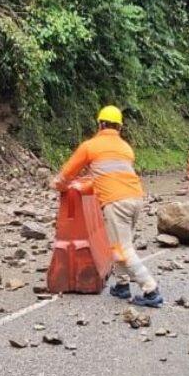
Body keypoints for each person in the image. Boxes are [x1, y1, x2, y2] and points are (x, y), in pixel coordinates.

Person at [49, 105, 163, 307]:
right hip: (136, 198)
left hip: (116, 202)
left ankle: (150, 289)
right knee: (120, 244)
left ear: (100, 124)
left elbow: (67, 173)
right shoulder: (126, 149)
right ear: (119, 127)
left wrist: (58, 184)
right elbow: (110, 175)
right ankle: (122, 285)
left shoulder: (90, 146)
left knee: (122, 247)